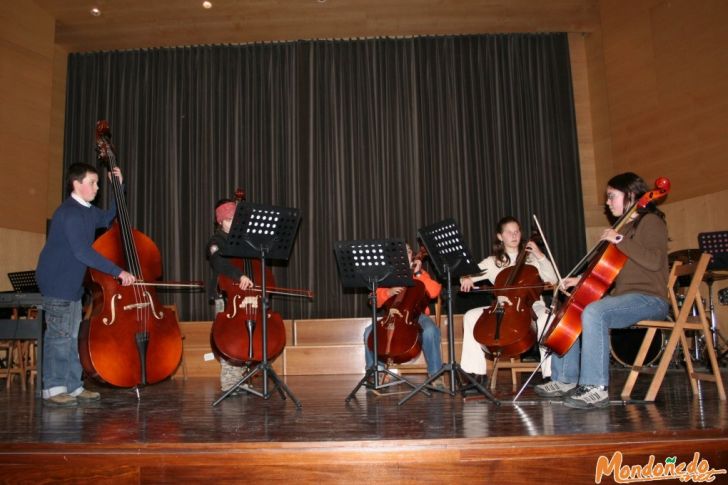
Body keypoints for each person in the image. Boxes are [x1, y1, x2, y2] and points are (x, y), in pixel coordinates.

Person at [535, 172, 669, 409]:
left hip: (650, 300)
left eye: (611, 196)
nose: (607, 202)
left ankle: (595, 387)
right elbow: (610, 272)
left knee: (595, 312)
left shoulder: (651, 222)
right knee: (572, 309)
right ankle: (564, 379)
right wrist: (579, 280)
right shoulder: (625, 228)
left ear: (629, 194)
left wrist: (618, 238)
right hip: (624, 298)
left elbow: (654, 261)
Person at [36, 162, 136, 407]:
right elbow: (82, 252)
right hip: (57, 282)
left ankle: (73, 386)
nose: (97, 187)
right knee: (60, 337)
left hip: (72, 284)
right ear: (77, 184)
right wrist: (118, 271)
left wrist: (118, 186)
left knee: (72, 337)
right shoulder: (69, 212)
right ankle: (53, 388)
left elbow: (109, 215)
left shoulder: (88, 211)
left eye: (98, 183)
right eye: (93, 182)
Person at [459, 216, 558, 385]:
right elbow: (469, 275)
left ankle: (550, 375)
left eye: (517, 231)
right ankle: (474, 375)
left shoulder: (532, 259)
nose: (514, 235)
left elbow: (553, 279)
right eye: (509, 232)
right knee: (470, 316)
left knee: (546, 318)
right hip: (502, 308)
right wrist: (466, 278)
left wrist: (540, 255)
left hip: (532, 305)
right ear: (500, 237)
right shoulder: (493, 262)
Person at [363, 243, 445, 389]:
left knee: (431, 331)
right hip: (392, 316)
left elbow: (435, 292)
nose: (403, 254)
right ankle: (376, 373)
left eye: (407, 251)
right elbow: (374, 301)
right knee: (369, 332)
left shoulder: (420, 274)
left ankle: (436, 375)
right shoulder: (386, 276)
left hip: (416, 317)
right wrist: (388, 292)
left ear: (411, 255)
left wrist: (419, 274)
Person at [207, 199, 255, 393]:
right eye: (228, 219)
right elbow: (219, 263)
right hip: (226, 295)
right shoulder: (215, 241)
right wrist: (239, 275)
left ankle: (242, 378)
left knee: (246, 337)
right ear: (220, 221)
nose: (232, 222)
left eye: (235, 218)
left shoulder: (244, 241)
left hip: (246, 296)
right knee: (229, 337)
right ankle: (229, 383)